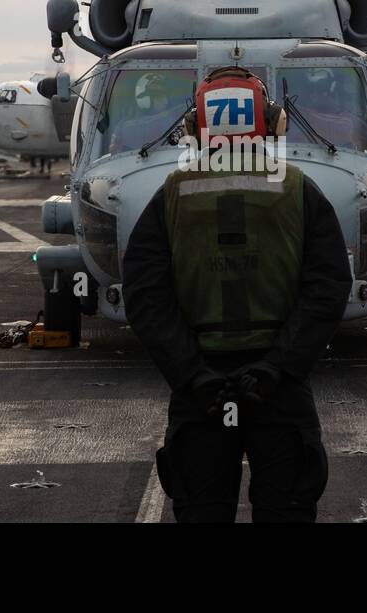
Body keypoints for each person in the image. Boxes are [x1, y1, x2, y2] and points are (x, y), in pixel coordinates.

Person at [121, 66, 351, 523]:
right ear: (270, 122)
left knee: (202, 509)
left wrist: (191, 374)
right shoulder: (299, 188)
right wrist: (277, 367)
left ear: (195, 125)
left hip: (202, 390)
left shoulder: (171, 194)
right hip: (276, 390)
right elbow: (327, 288)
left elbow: (145, 295)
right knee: (285, 509)